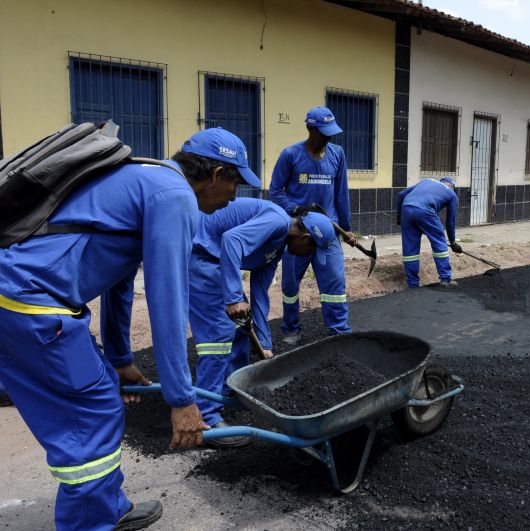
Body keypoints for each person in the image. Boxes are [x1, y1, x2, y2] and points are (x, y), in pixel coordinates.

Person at [0, 127, 260, 531]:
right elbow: (168, 301)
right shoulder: (175, 197)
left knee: (101, 384)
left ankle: (108, 508)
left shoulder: (146, 175)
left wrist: (121, 360)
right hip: (32, 303)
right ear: (217, 174)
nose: (233, 197)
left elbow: (119, 282)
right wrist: (181, 400)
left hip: (16, 296)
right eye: (235, 183)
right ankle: (91, 523)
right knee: (92, 414)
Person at [189, 200, 337, 447]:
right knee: (220, 332)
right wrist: (234, 297)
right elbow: (231, 241)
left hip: (216, 260)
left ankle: (228, 391)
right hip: (201, 253)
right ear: (305, 238)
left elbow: (260, 294)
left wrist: (264, 345)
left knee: (239, 326)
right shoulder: (276, 222)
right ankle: (205, 417)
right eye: (312, 250)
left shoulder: (277, 248)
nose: (309, 257)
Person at [269, 106, 357, 346]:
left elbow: (341, 194)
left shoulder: (337, 154)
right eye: (323, 132)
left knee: (334, 286)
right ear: (310, 128)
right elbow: (275, 191)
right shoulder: (290, 155)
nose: (328, 138)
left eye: (331, 133)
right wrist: (296, 209)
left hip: (328, 234)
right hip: (298, 234)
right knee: (290, 285)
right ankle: (291, 329)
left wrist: (346, 228)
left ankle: (338, 331)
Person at [397, 177, 462, 288]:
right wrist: (453, 242)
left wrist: (399, 216)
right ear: (452, 186)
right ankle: (445, 279)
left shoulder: (427, 181)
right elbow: (450, 222)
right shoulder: (451, 193)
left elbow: (401, 194)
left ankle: (412, 284)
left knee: (410, 250)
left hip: (406, 209)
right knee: (439, 242)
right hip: (425, 210)